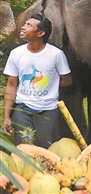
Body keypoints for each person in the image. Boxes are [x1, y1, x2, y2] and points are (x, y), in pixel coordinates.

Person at [2, 13, 72, 148]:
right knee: (23, 153)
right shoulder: (16, 54)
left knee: (48, 153)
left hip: (48, 112)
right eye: (25, 24)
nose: (23, 27)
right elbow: (11, 85)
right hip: (21, 111)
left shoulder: (56, 55)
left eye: (28, 25)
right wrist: (6, 117)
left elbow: (67, 80)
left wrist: (49, 86)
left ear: (40, 33)